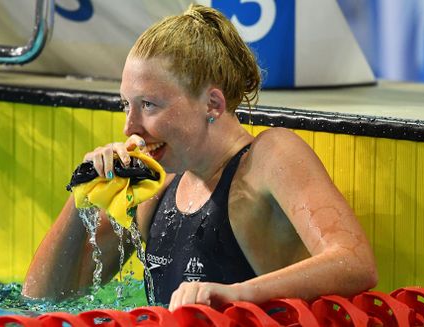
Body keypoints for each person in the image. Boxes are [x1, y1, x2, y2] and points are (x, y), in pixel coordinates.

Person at [22, 4, 377, 310]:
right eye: (126, 105)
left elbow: (355, 262)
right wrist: (81, 196)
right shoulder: (160, 186)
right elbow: (46, 298)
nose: (131, 127)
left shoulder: (269, 158)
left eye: (149, 105)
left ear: (212, 104)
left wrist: (239, 295)